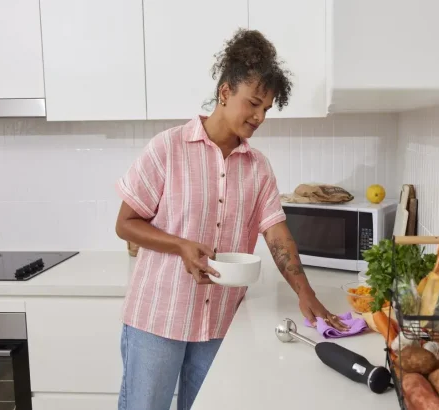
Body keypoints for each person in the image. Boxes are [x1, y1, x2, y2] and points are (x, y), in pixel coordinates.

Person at [114, 29, 346, 410]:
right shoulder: (168, 147)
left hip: (219, 322)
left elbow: (278, 237)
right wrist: (180, 246)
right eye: (253, 103)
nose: (259, 116)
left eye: (267, 109)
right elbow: (125, 223)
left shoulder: (258, 168)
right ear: (225, 92)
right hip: (158, 317)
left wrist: (307, 294)